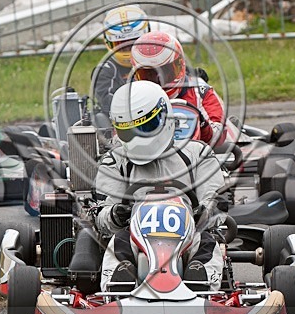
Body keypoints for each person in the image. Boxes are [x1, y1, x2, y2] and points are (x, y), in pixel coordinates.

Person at [94, 80, 225, 292]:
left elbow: (215, 200)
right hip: (135, 234)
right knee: (119, 242)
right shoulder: (114, 161)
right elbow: (102, 216)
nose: (138, 140)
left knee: (205, 241)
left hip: (188, 232)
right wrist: (115, 214)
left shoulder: (197, 154)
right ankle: (118, 286)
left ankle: (201, 283)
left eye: (145, 127)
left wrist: (204, 212)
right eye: (129, 132)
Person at [129, 31, 226, 146]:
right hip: (147, 154)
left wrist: (202, 124)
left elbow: (218, 136)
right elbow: (119, 140)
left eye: (165, 71)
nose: (158, 80)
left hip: (196, 153)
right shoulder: (131, 98)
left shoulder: (200, 91)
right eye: (148, 74)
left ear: (180, 65)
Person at [90, 5, 150, 115]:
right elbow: (108, 103)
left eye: (133, 43)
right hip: (124, 119)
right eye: (121, 45)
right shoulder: (105, 70)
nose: (128, 50)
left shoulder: (158, 60)